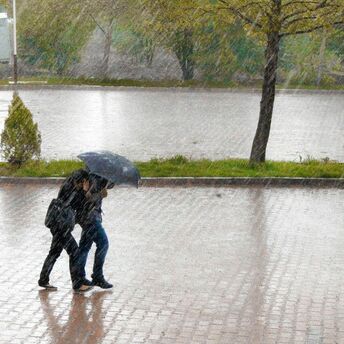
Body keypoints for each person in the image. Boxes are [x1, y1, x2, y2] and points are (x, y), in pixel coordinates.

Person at [38, 169, 93, 292]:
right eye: (85, 181)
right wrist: (85, 191)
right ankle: (77, 284)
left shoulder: (68, 184)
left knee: (54, 252)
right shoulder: (74, 191)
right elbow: (80, 205)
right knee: (74, 252)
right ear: (82, 181)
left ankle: (43, 279)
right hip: (61, 226)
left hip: (56, 224)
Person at [77, 174, 113, 289]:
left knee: (84, 247)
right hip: (90, 217)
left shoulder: (99, 175)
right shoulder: (93, 176)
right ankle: (97, 276)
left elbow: (110, 185)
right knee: (103, 243)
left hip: (87, 217)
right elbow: (86, 199)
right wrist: (100, 194)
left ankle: (79, 277)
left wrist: (107, 184)